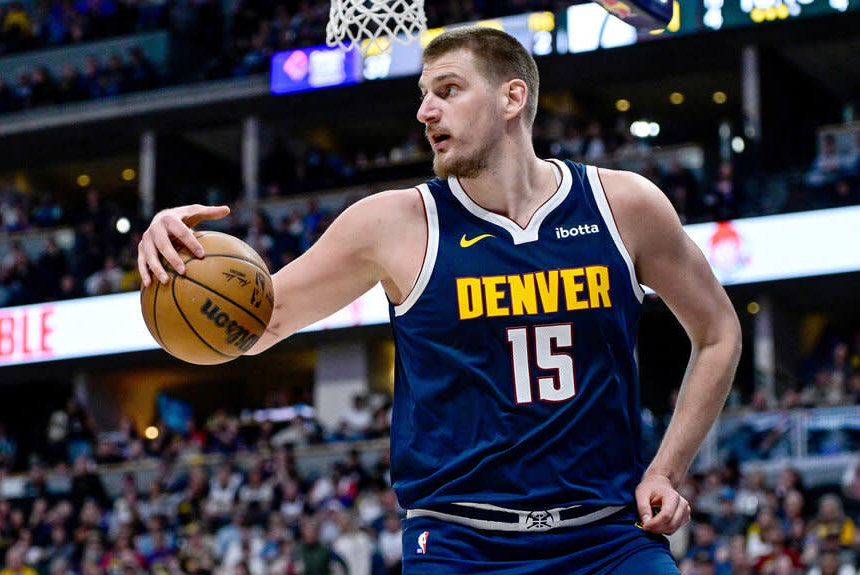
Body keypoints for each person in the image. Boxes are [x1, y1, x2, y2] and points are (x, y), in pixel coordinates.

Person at [138, 27, 741, 574]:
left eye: (447, 90)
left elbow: (718, 333)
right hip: (461, 546)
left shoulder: (622, 205)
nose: (426, 112)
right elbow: (260, 324)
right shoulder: (393, 223)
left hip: (607, 539)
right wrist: (174, 256)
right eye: (424, 96)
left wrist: (666, 469)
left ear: (512, 99)